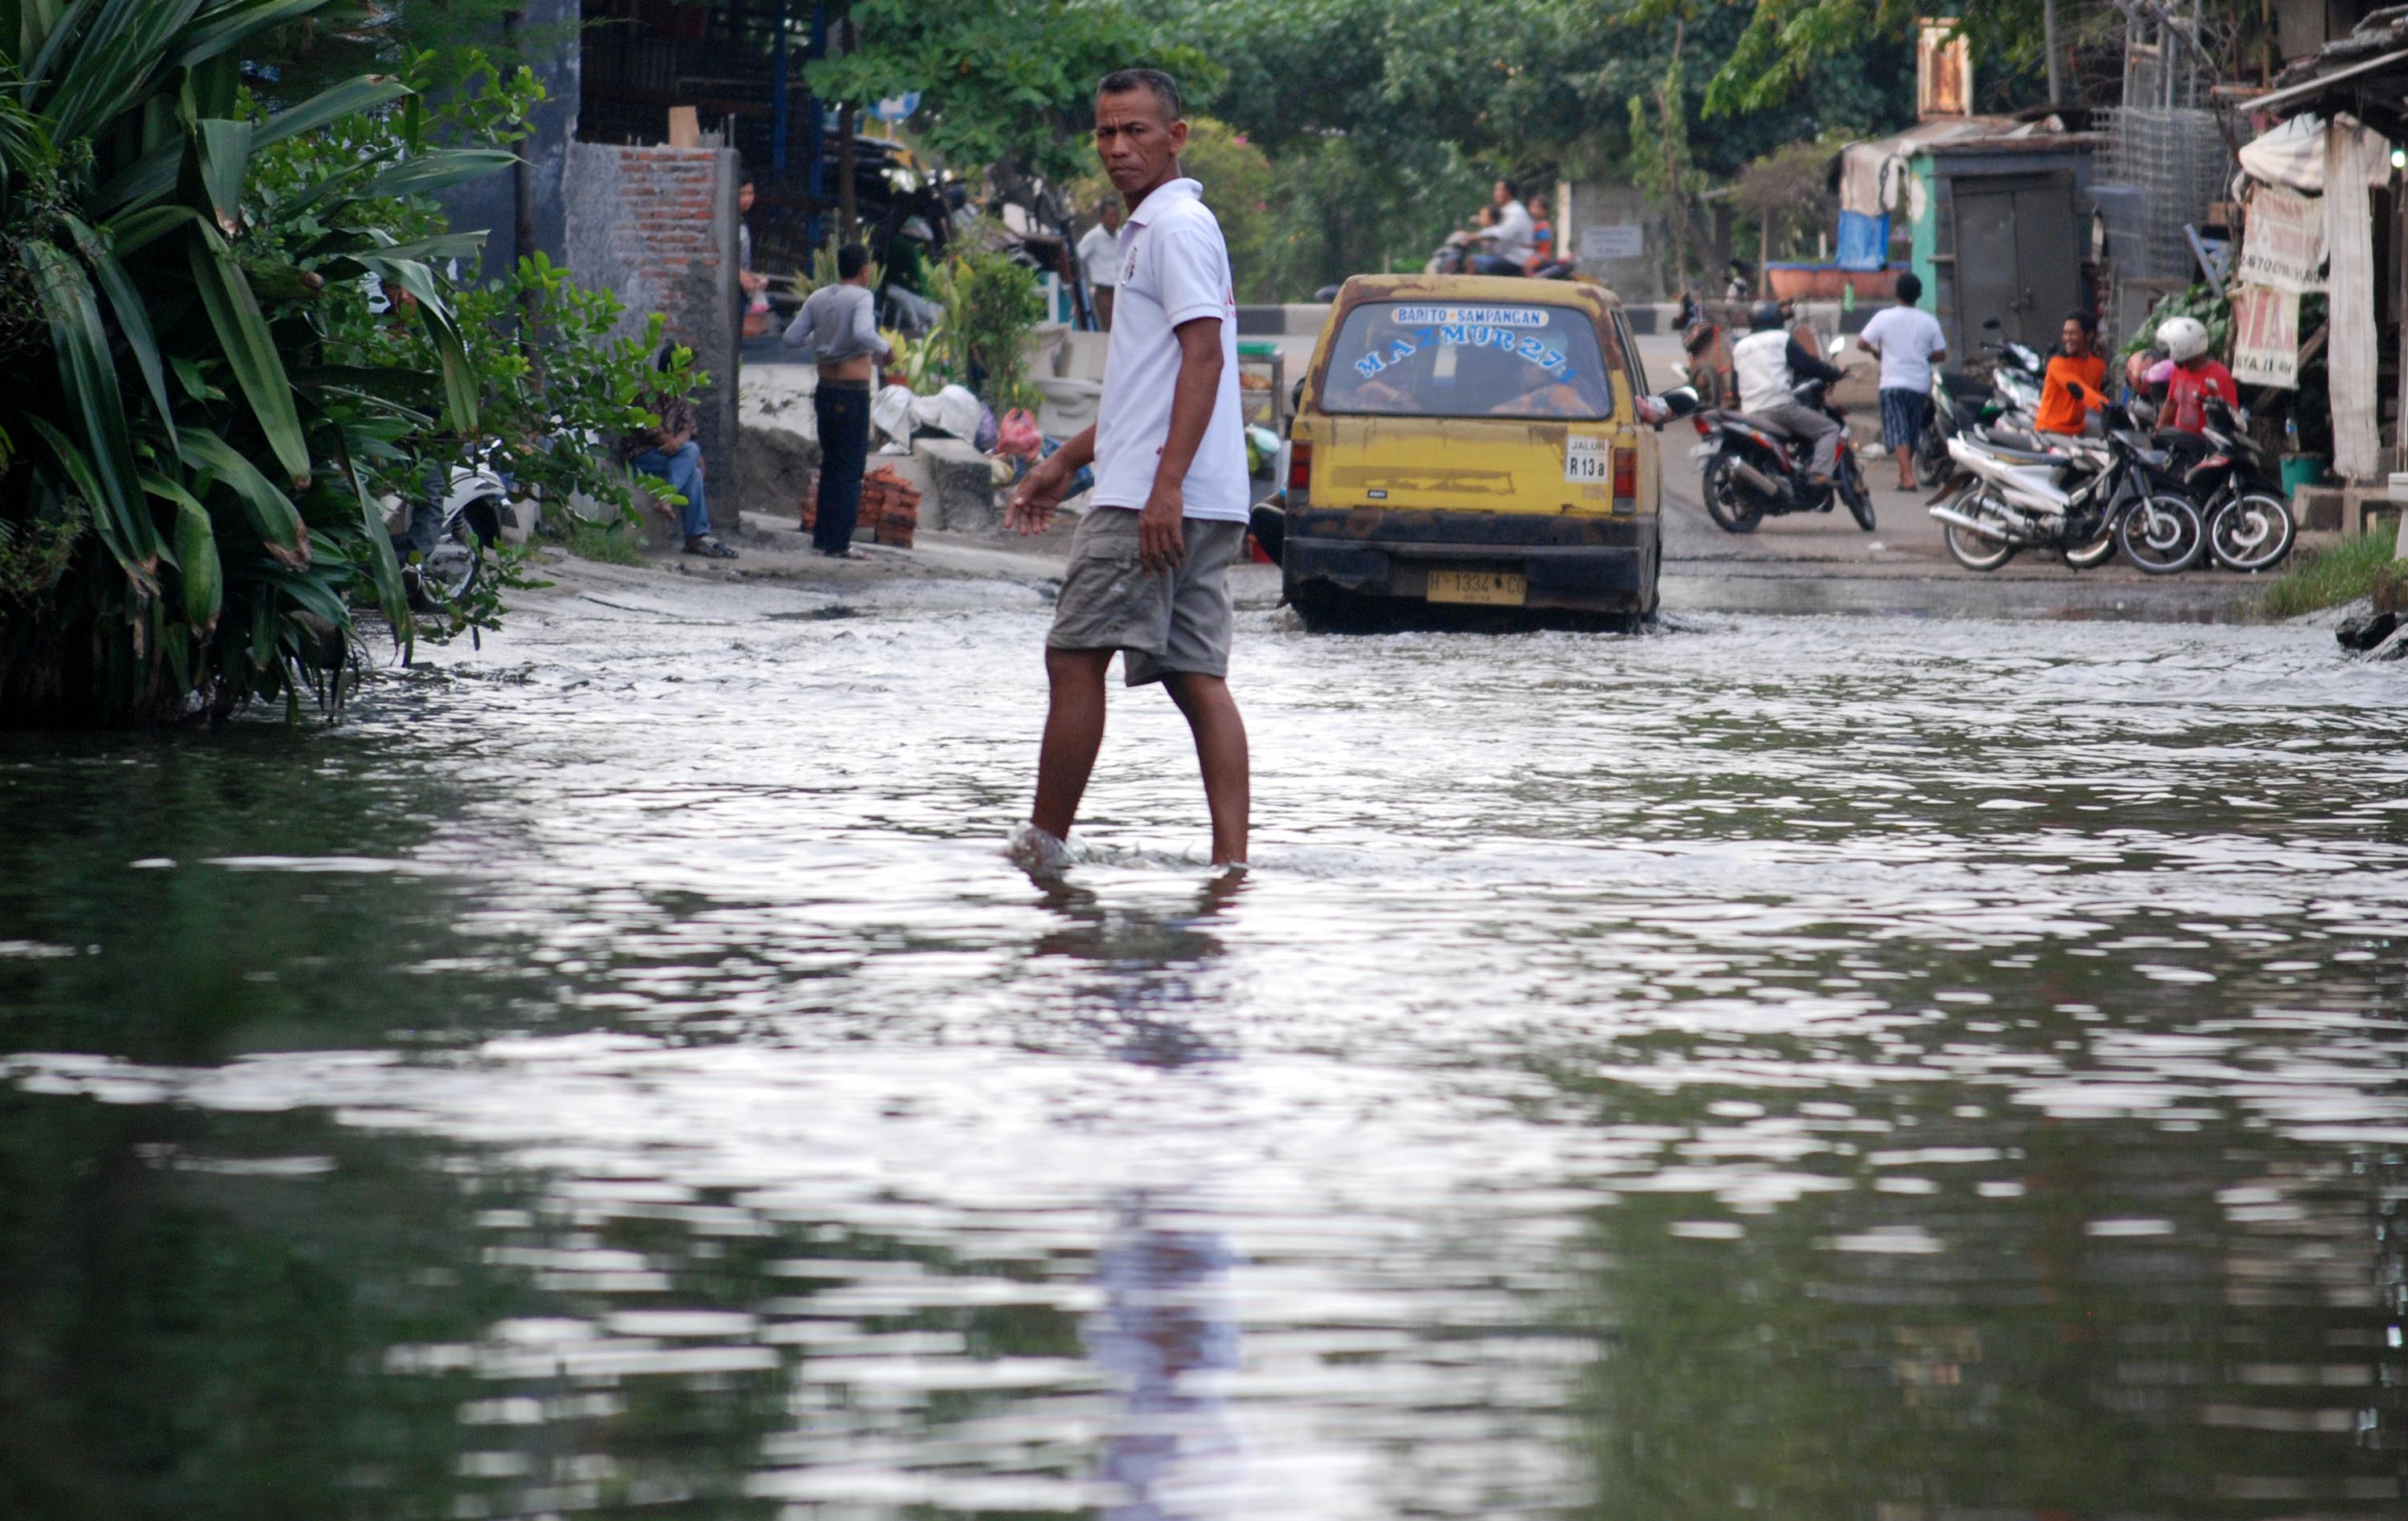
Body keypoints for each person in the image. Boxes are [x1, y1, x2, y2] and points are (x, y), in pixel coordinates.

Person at [1005, 67, 1251, 870]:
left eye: (1136, 130)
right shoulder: (1161, 229)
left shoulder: (1175, 230)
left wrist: (1163, 486)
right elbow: (1145, 386)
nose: (1118, 147)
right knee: (1193, 676)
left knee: (1074, 655)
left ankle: (1043, 846)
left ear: (1175, 137)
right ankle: (1230, 866)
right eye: (1106, 132)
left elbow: (1206, 357)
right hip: (1199, 491)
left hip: (1159, 492)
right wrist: (1064, 463)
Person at [783, 243, 892, 558]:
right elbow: (863, 332)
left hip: (825, 390)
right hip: (851, 392)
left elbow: (791, 338)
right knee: (849, 468)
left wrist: (822, 340)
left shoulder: (818, 297)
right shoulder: (862, 297)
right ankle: (839, 543)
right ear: (864, 270)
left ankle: (823, 537)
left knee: (831, 464)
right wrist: (886, 348)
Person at [625, 370, 738, 559]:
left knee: (693, 471)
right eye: (688, 371)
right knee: (691, 453)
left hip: (673, 458)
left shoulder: (681, 398)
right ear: (673, 370)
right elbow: (655, 434)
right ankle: (675, 510)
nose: (690, 377)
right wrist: (681, 447)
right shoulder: (648, 394)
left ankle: (692, 535)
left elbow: (688, 429)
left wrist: (678, 445)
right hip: (645, 457)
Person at [1732, 299, 1843, 485]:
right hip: (1780, 409)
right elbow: (1808, 365)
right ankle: (1820, 474)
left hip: (1750, 412)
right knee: (1829, 429)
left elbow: (1735, 389)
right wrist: (1834, 373)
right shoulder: (1781, 339)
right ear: (1777, 319)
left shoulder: (1740, 347)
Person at [1856, 271, 1947, 489]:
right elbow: (1941, 354)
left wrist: (1877, 352)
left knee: (1898, 430)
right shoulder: (1929, 321)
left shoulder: (1884, 317)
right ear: (1919, 295)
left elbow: (1861, 343)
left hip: (1892, 383)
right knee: (1911, 430)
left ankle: (1907, 477)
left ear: (1897, 293)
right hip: (1919, 384)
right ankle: (1902, 474)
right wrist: (1926, 357)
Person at [2151, 315, 2238, 436]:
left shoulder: (2219, 376)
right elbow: (2171, 403)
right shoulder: (2180, 370)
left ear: (2182, 347)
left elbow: (2232, 417)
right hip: (2179, 441)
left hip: (2204, 445)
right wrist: (2158, 432)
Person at [2034, 310, 2107, 438]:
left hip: (2077, 429)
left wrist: (2119, 412)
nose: (2067, 338)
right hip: (2051, 430)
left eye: (2072, 333)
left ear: (2089, 335)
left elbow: (2094, 395)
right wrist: (2108, 406)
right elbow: (2077, 389)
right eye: (2065, 333)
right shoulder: (2058, 362)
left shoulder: (2098, 365)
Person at [1471, 179, 1534, 275]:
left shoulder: (1516, 212)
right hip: (1503, 257)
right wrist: (1476, 239)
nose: (1495, 193)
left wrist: (1477, 236)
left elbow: (1502, 234)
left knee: (1471, 261)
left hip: (1515, 260)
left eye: (1498, 190)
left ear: (1508, 192)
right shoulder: (1504, 211)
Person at [1077, 198, 1123, 328]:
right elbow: (1077, 257)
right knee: (1108, 330)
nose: (1115, 220)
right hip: (1104, 294)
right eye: (1111, 216)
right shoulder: (1093, 237)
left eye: (1117, 216)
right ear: (1102, 217)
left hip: (1120, 292)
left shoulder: (1122, 236)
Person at [738, 176, 772, 338]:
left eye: (750, 193)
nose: (747, 199)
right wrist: (738, 274)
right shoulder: (726, 221)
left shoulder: (742, 222)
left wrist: (752, 277)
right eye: (742, 194)